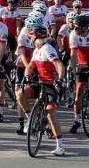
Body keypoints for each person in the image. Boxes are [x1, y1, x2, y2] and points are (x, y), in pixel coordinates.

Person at [21, 25, 67, 156]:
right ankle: (30, 117)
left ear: (36, 36)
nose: (30, 38)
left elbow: (59, 64)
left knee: (50, 113)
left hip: (50, 85)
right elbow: (30, 66)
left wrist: (60, 79)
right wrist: (27, 76)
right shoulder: (37, 50)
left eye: (31, 36)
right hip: (40, 83)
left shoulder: (47, 49)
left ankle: (60, 146)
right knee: (21, 92)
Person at [14, 17, 43, 135]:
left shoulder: (41, 34)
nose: (33, 31)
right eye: (30, 29)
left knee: (39, 93)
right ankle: (22, 122)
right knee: (18, 92)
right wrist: (28, 68)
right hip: (23, 66)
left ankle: (42, 120)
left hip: (37, 66)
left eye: (35, 29)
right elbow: (22, 55)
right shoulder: (22, 35)